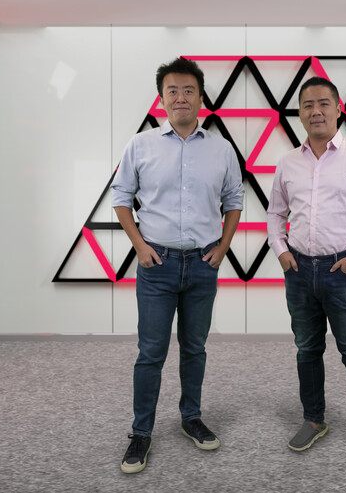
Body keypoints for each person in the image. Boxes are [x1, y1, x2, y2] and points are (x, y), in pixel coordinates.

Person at [111, 57, 244, 474]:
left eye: (189, 90)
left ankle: (191, 418)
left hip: (203, 264)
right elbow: (120, 197)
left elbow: (234, 201)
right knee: (150, 353)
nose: (181, 97)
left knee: (195, 348)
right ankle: (141, 433)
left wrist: (223, 247)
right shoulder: (141, 145)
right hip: (157, 264)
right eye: (173, 91)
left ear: (201, 97)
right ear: (162, 98)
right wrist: (138, 245)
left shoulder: (222, 149)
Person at [266, 77, 346, 473]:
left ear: (338, 109)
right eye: (307, 105)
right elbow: (276, 212)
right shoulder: (288, 162)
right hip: (300, 271)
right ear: (299, 112)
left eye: (324, 103)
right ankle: (314, 419)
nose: (315, 110)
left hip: (343, 271)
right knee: (307, 350)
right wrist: (282, 252)